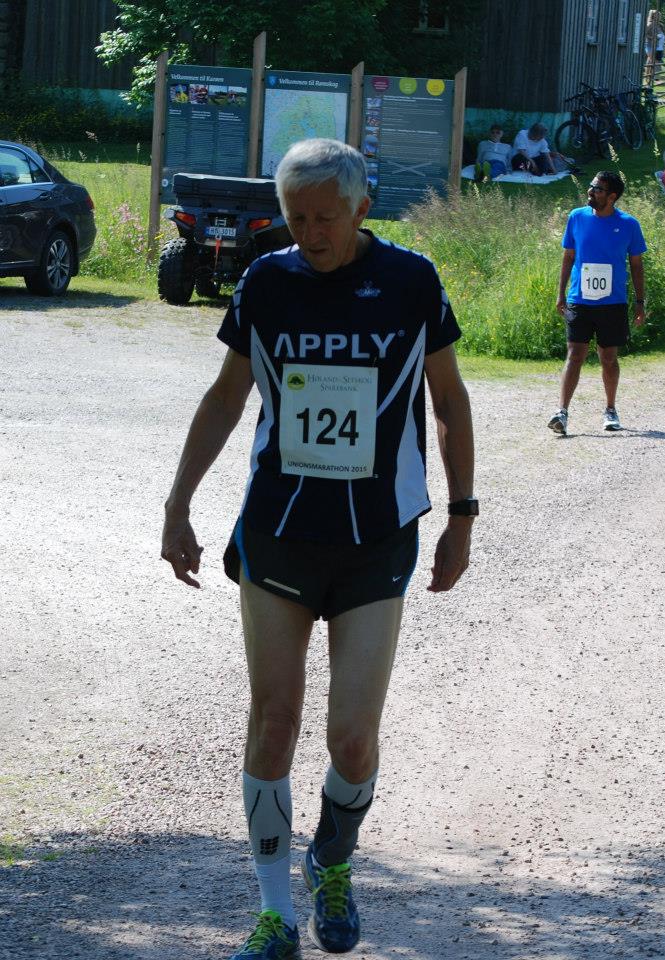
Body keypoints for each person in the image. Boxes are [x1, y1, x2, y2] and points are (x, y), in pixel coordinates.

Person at [161, 139, 476, 960]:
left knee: (352, 739)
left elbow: (448, 400)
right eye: (296, 218)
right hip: (279, 532)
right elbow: (227, 396)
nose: (310, 233)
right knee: (273, 723)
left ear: (361, 208)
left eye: (325, 218)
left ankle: (332, 859)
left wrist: (462, 516)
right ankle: (275, 917)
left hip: (376, 537)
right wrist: (178, 504)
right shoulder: (266, 281)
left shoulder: (411, 280)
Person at [549, 171, 647, 435]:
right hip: (579, 299)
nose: (590, 191)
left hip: (612, 303)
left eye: (597, 189)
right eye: (591, 186)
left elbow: (637, 265)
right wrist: (560, 293)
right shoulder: (576, 217)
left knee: (608, 358)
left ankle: (610, 409)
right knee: (575, 354)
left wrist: (640, 302)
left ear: (612, 196)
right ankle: (562, 412)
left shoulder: (629, 224)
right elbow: (568, 257)